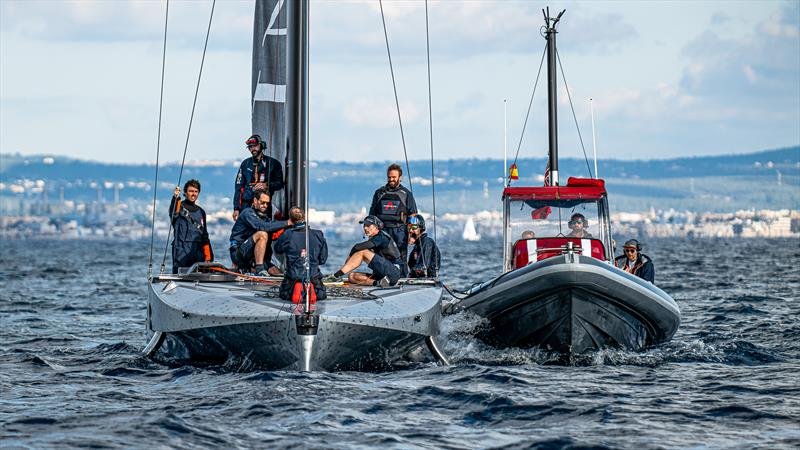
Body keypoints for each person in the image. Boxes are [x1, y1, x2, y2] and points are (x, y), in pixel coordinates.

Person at [324, 215, 403, 287]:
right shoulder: (373, 240)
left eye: (368, 225)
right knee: (352, 276)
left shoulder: (381, 237)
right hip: (383, 276)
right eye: (364, 225)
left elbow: (358, 247)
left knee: (362, 251)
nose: (365, 228)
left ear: (376, 227)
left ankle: (336, 276)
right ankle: (378, 283)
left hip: (393, 273)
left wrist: (351, 255)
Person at [229, 189, 290, 276]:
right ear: (255, 200)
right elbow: (262, 226)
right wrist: (287, 222)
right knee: (262, 234)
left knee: (276, 272)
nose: (265, 205)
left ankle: (256, 267)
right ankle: (259, 268)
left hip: (252, 256)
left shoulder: (264, 217)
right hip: (238, 252)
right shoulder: (247, 213)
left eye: (267, 203)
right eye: (262, 202)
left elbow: (271, 226)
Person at [369, 163, 417, 271]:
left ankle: (403, 278)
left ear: (400, 177)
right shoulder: (379, 193)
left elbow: (413, 215)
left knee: (400, 258)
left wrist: (412, 234)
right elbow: (372, 214)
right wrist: (371, 231)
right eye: (389, 177)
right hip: (382, 230)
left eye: (394, 177)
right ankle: (380, 278)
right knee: (380, 256)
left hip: (400, 230)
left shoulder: (406, 194)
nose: (391, 179)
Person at [274, 207, 328, 301]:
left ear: (291, 220)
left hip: (293, 280)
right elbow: (322, 260)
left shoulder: (287, 235)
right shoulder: (318, 234)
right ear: (305, 217)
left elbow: (277, 250)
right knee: (320, 293)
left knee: (284, 293)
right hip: (313, 279)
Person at [233, 134, 285, 221]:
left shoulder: (273, 163)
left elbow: (279, 183)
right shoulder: (245, 164)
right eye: (250, 147)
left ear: (261, 145)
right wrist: (236, 208)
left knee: (262, 231)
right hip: (246, 205)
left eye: (255, 146)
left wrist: (266, 185)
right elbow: (238, 187)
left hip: (263, 206)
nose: (253, 149)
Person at [169, 179, 213, 274]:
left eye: (196, 191)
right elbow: (173, 213)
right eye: (191, 191)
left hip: (198, 253)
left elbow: (205, 235)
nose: (193, 194)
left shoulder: (201, 212)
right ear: (185, 193)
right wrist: (175, 198)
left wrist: (208, 257)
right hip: (181, 252)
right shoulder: (179, 207)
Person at [407, 214, 440, 278]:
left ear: (421, 228)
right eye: (409, 227)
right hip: (417, 279)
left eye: (414, 227)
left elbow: (422, 267)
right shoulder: (417, 246)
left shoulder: (427, 242)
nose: (411, 230)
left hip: (427, 281)